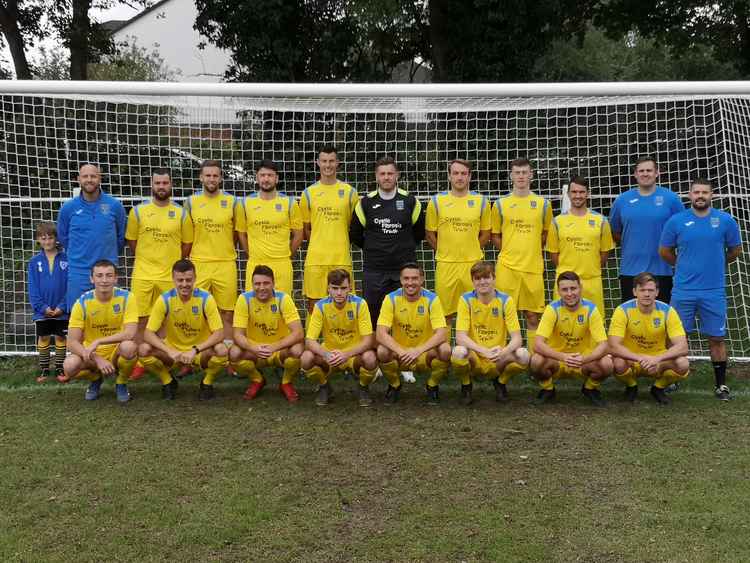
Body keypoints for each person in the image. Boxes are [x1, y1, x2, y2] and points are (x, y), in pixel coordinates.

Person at [659, 178, 741, 400]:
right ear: (690, 195)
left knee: (716, 338)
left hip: (713, 291)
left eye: (705, 192)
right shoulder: (676, 221)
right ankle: (671, 379)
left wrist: (717, 263)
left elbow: (735, 250)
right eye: (696, 192)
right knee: (676, 337)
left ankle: (721, 385)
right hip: (683, 290)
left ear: (711, 195)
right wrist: (683, 264)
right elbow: (665, 251)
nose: (700, 196)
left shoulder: (725, 221)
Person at [125, 168, 193, 380]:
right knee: (141, 318)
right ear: (151, 185)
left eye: (165, 183)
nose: (161, 187)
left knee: (168, 320)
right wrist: (147, 260)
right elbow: (132, 241)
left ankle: (171, 358)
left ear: (171, 185)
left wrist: (170, 265)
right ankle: (139, 361)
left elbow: (187, 243)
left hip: (168, 275)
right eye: (158, 183)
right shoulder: (138, 211)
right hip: (143, 274)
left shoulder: (181, 212)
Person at [349, 156, 425, 328]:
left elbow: (419, 233)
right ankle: (377, 353)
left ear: (397, 175)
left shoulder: (410, 201)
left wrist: (402, 248)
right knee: (374, 317)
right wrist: (373, 248)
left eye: (390, 173)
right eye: (382, 173)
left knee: (406, 318)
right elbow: (355, 234)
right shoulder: (365, 203)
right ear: (376, 176)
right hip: (374, 270)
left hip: (404, 269)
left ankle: (404, 352)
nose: (386, 177)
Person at [139, 259, 229, 401]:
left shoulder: (206, 298)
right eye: (180, 280)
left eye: (188, 280)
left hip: (200, 351)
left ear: (195, 279)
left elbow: (219, 333)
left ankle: (207, 383)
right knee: (144, 349)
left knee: (222, 350)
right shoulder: (165, 299)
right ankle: (168, 381)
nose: (184, 284)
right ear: (173, 279)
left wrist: (195, 350)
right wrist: (169, 351)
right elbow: (148, 333)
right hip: (173, 351)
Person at [491, 158, 553, 353]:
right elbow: (495, 234)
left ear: (531, 175)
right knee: (503, 314)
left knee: (533, 315)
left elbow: (545, 234)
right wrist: (509, 251)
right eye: (517, 172)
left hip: (532, 268)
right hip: (507, 268)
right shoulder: (501, 204)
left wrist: (531, 250)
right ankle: (499, 355)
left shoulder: (543, 204)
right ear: (511, 176)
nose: (521, 176)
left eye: (524, 172)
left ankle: (534, 359)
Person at [57, 260, 138, 403]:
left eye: (109, 275)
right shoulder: (82, 303)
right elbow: (71, 342)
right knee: (69, 366)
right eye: (99, 276)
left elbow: (130, 334)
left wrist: (99, 340)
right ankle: (96, 379)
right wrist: (97, 358)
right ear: (92, 279)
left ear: (115, 278)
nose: (104, 280)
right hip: (92, 354)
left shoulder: (127, 297)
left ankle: (121, 382)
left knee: (130, 347)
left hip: (116, 351)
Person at [451, 262, 529, 405]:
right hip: (475, 355)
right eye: (478, 278)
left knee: (523, 355)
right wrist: (483, 351)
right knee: (458, 352)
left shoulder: (506, 300)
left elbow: (517, 339)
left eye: (486, 277)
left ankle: (500, 382)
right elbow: (460, 337)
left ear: (494, 278)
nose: (482, 282)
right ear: (473, 281)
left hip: (497, 357)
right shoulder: (465, 299)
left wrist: (504, 352)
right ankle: (466, 385)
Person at [529, 271, 612, 406]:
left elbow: (604, 344)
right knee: (536, 360)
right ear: (558, 291)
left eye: (573, 288)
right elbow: (537, 344)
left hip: (583, 361)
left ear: (580, 288)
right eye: (564, 289)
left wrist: (584, 359)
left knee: (607, 364)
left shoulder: (591, 309)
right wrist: (562, 357)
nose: (569, 294)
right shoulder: (552, 309)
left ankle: (590, 388)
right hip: (557, 361)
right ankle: (548, 389)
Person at [609, 157, 683, 304]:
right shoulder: (622, 200)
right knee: (631, 319)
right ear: (635, 174)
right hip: (630, 270)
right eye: (641, 171)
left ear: (656, 173)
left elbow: (681, 231)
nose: (645, 174)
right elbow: (614, 231)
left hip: (662, 270)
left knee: (661, 319)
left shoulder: (671, 199)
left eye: (649, 170)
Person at [608, 272, 690, 405]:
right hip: (632, 358)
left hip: (657, 360)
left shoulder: (668, 311)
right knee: (617, 362)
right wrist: (640, 358)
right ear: (635, 291)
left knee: (683, 363)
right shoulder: (622, 310)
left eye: (651, 290)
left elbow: (683, 346)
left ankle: (658, 388)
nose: (647, 294)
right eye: (642, 290)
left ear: (657, 292)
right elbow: (613, 346)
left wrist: (657, 359)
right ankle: (631, 386)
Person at [376, 262, 452, 405]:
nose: (410, 283)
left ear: (422, 280)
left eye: (414, 278)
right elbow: (380, 334)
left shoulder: (432, 299)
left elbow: (441, 333)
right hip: (401, 355)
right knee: (382, 351)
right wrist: (401, 351)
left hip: (424, 353)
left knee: (446, 349)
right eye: (406, 278)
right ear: (401, 280)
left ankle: (432, 385)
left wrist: (418, 350)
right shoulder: (391, 298)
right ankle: (395, 385)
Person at [425, 159, 491, 320]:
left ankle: (472, 346)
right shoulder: (436, 201)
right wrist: (444, 250)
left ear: (469, 177)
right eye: (455, 173)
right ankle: (446, 346)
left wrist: (472, 249)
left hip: (473, 265)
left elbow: (486, 233)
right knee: (445, 315)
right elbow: (429, 233)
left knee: (475, 313)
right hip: (446, 265)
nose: (459, 177)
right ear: (449, 176)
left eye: (463, 173)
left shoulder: (481, 201)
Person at [302, 269, 378, 407]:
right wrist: (326, 354)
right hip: (330, 354)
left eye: (343, 288)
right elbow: (309, 341)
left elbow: (368, 340)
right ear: (328, 288)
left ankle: (363, 387)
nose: (339, 293)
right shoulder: (320, 306)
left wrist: (346, 354)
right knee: (306, 358)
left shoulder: (360, 304)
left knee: (370, 358)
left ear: (350, 287)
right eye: (335, 288)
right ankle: (324, 387)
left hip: (354, 354)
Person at [185, 159, 244, 337]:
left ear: (220, 178)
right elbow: (187, 234)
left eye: (215, 176)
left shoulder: (233, 202)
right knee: (196, 309)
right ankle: (195, 353)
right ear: (201, 177)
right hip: (199, 263)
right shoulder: (191, 201)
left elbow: (236, 233)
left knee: (227, 312)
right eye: (208, 175)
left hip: (225, 263)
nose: (211, 179)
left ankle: (226, 355)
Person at [57, 163, 126, 312]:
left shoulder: (114, 205)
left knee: (111, 320)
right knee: (78, 320)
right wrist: (80, 253)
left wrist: (107, 256)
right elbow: (63, 237)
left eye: (93, 176)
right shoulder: (68, 208)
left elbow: (121, 237)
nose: (89, 180)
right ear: (78, 179)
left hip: (107, 272)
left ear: (99, 178)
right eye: (85, 176)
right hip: (79, 273)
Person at [230, 265, 304, 403]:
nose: (261, 287)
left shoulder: (283, 299)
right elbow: (237, 335)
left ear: (273, 284)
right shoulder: (244, 299)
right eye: (257, 284)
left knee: (298, 349)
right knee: (234, 352)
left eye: (266, 283)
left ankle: (286, 382)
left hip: (279, 350)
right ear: (252, 285)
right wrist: (254, 348)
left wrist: (274, 347)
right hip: (255, 350)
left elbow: (299, 332)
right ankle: (257, 379)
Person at [299, 145, 359, 312]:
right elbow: (306, 229)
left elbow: (354, 227)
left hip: (341, 258)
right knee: (314, 307)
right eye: (324, 161)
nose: (328, 165)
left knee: (345, 306)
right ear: (317, 163)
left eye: (331, 161)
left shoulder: (350, 192)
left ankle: (342, 339)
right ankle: (311, 339)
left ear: (337, 163)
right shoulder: (308, 193)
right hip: (316, 260)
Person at [546, 176, 614, 315]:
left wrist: (591, 268)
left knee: (595, 328)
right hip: (565, 284)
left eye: (582, 192)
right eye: (574, 192)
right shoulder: (557, 222)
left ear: (588, 193)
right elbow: (553, 254)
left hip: (592, 282)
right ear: (568, 194)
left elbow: (605, 253)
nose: (578, 196)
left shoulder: (601, 221)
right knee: (563, 325)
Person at [236, 160, 303, 296]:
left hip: (282, 264)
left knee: (282, 308)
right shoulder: (245, 203)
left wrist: (286, 254)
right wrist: (252, 254)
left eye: (270, 175)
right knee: (254, 308)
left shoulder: (289, 203)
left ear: (276, 178)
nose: (266, 179)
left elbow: (299, 235)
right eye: (262, 175)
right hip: (255, 263)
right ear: (257, 178)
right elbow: (241, 234)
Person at [27, 222, 68, 382]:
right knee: (43, 338)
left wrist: (62, 306)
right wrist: (42, 307)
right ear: (38, 240)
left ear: (56, 239)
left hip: (61, 309)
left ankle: (60, 368)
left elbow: (70, 285)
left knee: (60, 337)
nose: (47, 241)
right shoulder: (34, 262)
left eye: (50, 238)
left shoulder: (67, 259)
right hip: (41, 311)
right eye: (43, 238)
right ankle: (44, 369)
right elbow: (32, 288)